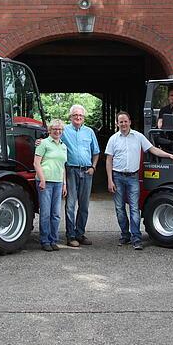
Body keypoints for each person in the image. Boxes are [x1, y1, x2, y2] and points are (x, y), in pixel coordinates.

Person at [106, 111, 173, 250]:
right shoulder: (113, 139)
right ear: (117, 123)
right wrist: (110, 180)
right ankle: (125, 235)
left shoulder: (138, 137)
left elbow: (153, 150)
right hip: (117, 177)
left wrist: (169, 156)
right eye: (120, 122)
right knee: (119, 209)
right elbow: (109, 160)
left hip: (132, 177)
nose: (123, 124)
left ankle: (136, 238)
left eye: (125, 121)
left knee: (134, 208)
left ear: (130, 122)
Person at [62, 104, 101, 247]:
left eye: (80, 115)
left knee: (84, 205)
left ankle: (80, 234)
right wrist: (40, 141)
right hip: (71, 170)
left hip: (87, 171)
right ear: (70, 117)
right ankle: (70, 236)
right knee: (70, 204)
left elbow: (96, 152)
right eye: (75, 115)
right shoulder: (64, 130)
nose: (78, 117)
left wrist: (93, 167)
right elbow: (51, 137)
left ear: (84, 117)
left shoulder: (89, 132)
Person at [34, 118, 68, 252]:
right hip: (45, 182)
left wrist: (64, 183)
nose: (57, 132)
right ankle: (45, 240)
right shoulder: (43, 144)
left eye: (60, 129)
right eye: (55, 129)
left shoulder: (63, 146)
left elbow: (62, 166)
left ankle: (54, 240)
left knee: (56, 214)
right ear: (49, 130)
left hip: (58, 182)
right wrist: (42, 179)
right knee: (46, 213)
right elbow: (36, 163)